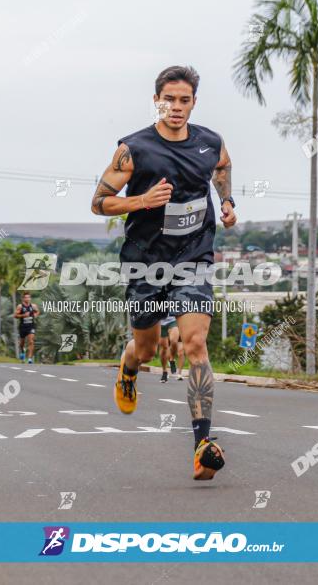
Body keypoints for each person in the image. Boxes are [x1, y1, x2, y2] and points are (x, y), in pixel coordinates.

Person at [89, 65, 236, 480]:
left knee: (194, 343)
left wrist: (226, 201)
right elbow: (99, 203)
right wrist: (143, 201)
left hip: (194, 256)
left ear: (193, 102)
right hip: (145, 260)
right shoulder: (133, 148)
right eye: (168, 99)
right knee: (150, 348)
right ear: (157, 100)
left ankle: (202, 444)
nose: (175, 107)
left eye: (183, 100)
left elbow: (222, 167)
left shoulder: (210, 142)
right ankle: (129, 365)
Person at [15, 292, 39, 364]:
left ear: (30, 298)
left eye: (29, 297)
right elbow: (15, 315)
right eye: (26, 297)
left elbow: (37, 311)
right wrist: (23, 315)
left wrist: (35, 315)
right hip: (23, 326)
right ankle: (22, 352)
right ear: (23, 298)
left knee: (31, 341)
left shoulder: (33, 306)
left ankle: (30, 358)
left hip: (31, 326)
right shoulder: (20, 306)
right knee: (22, 343)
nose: (27, 299)